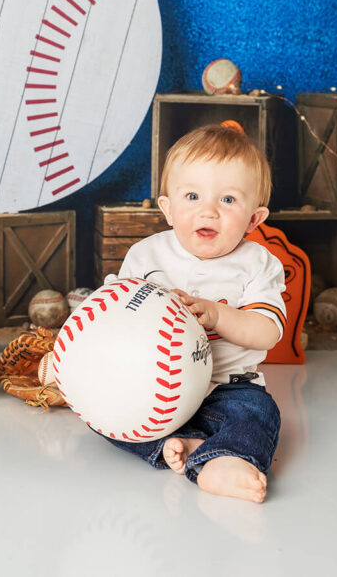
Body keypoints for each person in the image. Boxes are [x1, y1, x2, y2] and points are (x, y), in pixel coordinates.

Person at [102, 121, 285, 503]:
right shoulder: (146, 255)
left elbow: (268, 331)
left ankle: (223, 460)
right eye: (191, 196)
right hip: (152, 386)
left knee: (259, 413)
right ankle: (174, 446)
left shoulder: (257, 263)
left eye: (228, 200)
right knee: (105, 417)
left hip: (228, 388)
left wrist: (218, 316)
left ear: (254, 219)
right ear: (167, 209)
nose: (208, 211)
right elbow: (118, 323)